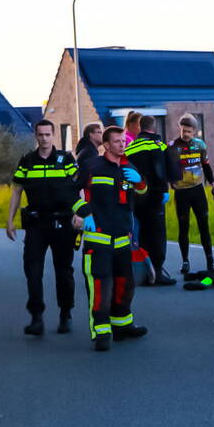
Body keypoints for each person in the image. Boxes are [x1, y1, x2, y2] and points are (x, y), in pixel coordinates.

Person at [71, 126, 149, 351]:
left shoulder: (129, 167)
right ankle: (101, 330)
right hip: (99, 239)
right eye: (117, 141)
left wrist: (141, 182)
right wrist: (84, 212)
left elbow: (142, 196)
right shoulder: (91, 167)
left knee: (126, 286)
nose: (122, 145)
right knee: (100, 287)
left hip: (123, 239)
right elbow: (69, 191)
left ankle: (122, 326)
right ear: (106, 145)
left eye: (123, 141)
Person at [7, 119, 81, 336]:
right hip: (37, 224)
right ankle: (36, 317)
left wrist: (79, 214)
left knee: (64, 271)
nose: (44, 138)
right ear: (36, 136)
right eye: (40, 135)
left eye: (48, 134)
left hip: (62, 222)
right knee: (33, 271)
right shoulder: (28, 161)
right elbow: (16, 191)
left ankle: (65, 314)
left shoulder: (66, 159)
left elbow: (78, 189)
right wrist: (9, 220)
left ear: (53, 135)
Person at [124, 114, 180, 286]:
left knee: (142, 235)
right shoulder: (158, 145)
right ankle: (157, 272)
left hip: (137, 197)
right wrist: (165, 189)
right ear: (153, 127)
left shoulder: (131, 147)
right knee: (157, 235)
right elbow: (163, 170)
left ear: (140, 127)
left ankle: (144, 270)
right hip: (155, 197)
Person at [169, 114, 214, 275]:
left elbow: (206, 166)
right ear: (179, 128)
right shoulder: (172, 146)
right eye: (184, 130)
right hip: (181, 192)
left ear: (195, 131)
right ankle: (185, 260)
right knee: (184, 227)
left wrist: (213, 184)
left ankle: (210, 259)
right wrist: (170, 184)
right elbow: (167, 169)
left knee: (204, 226)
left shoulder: (200, 145)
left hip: (197, 190)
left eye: (189, 131)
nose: (186, 134)